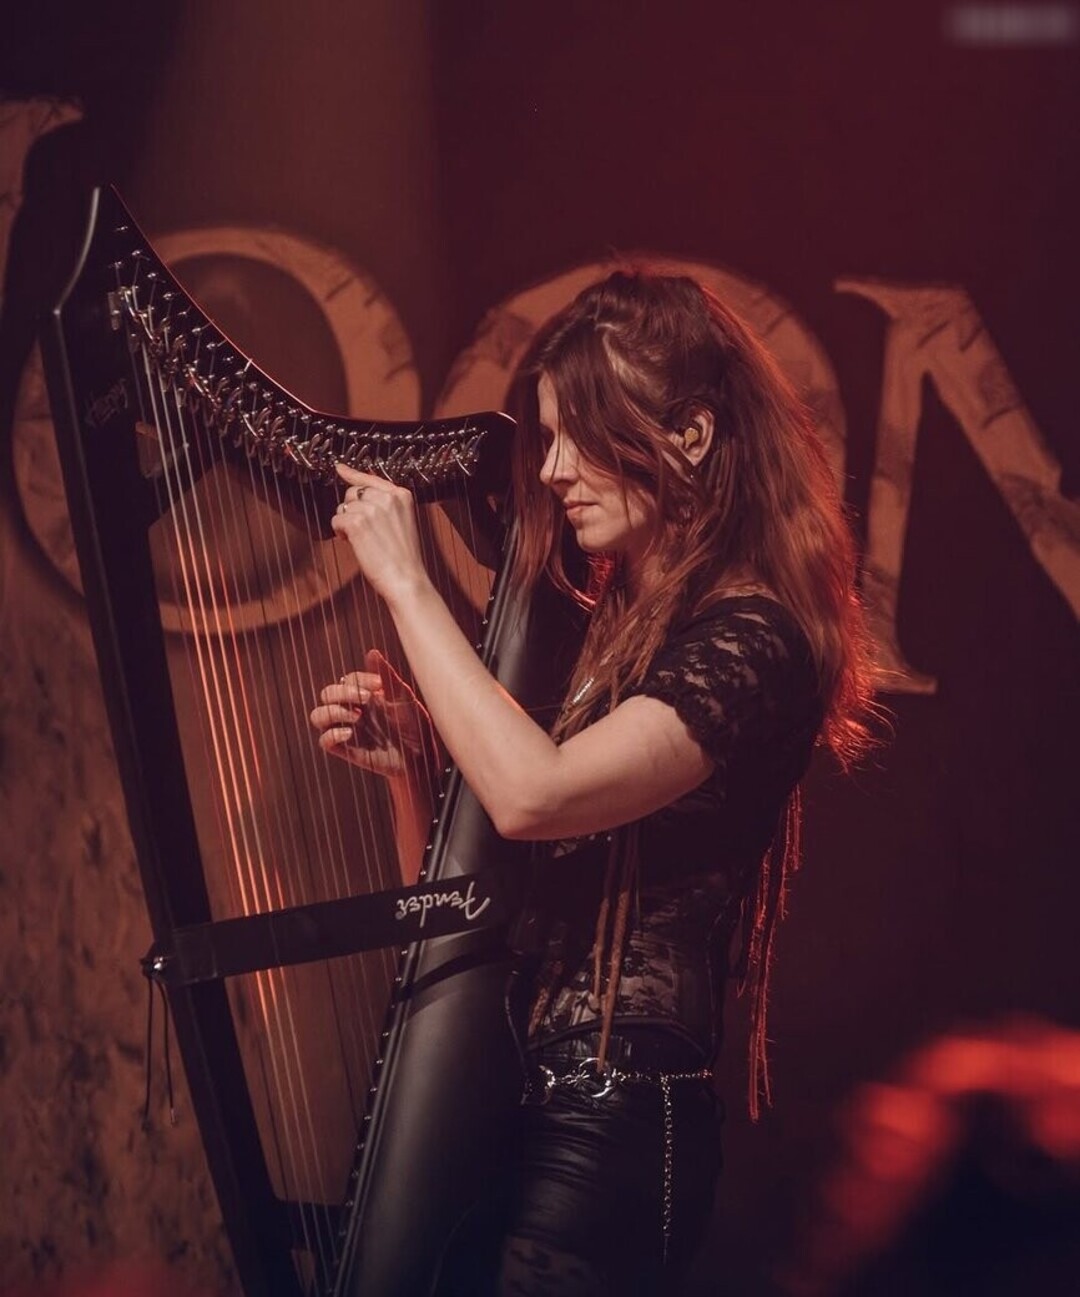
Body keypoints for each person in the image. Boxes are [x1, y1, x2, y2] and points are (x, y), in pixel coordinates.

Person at [310, 270, 877, 1295]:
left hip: (615, 1122)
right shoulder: (610, 642)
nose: (553, 469)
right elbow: (473, 915)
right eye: (548, 438)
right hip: (512, 1094)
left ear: (691, 436)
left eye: (580, 437)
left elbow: (537, 795)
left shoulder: (759, 641)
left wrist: (404, 580)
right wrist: (416, 775)